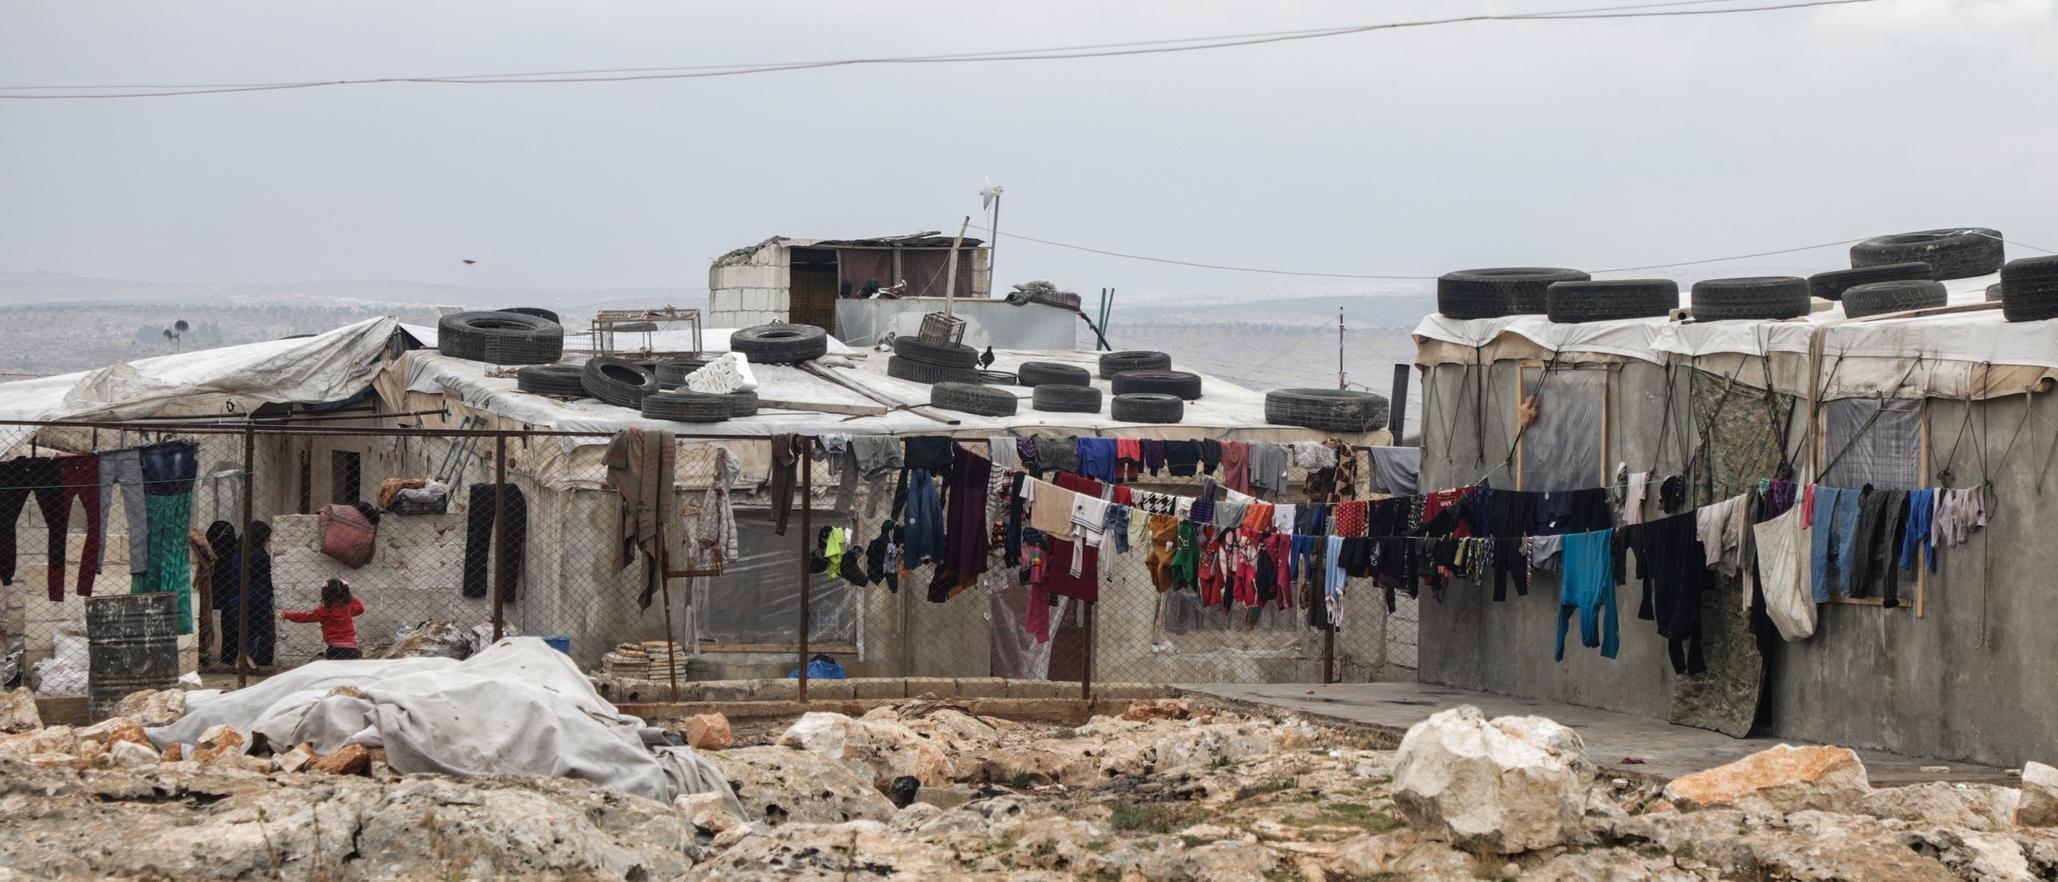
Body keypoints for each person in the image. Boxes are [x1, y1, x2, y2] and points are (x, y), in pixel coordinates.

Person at [216, 521, 278, 670]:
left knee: (244, 632)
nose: (269, 540)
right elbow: (267, 579)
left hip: (237, 599)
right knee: (259, 632)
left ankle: (243, 660)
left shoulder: (239, 553)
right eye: (267, 536)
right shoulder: (259, 556)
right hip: (257, 600)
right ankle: (251, 662)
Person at [283, 578, 366, 660]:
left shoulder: (324, 611)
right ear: (346, 593)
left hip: (335, 649)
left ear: (325, 595)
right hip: (352, 647)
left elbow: (305, 616)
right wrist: (349, 596)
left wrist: (287, 615)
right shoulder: (348, 608)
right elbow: (360, 608)